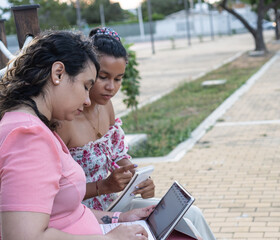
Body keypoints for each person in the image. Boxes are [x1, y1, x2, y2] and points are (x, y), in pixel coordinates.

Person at [56, 27, 216, 240]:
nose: (111, 87)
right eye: (103, 77)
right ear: (88, 72)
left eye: (119, 78)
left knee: (190, 214)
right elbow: (57, 196)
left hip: (117, 201)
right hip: (86, 214)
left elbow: (118, 154)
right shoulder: (64, 121)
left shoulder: (106, 106)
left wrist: (137, 180)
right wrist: (102, 186)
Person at [0, 30, 155, 240]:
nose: (87, 100)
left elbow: (66, 213)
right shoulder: (28, 136)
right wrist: (110, 238)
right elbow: (25, 237)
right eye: (85, 86)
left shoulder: (36, 127)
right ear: (58, 73)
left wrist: (120, 218)